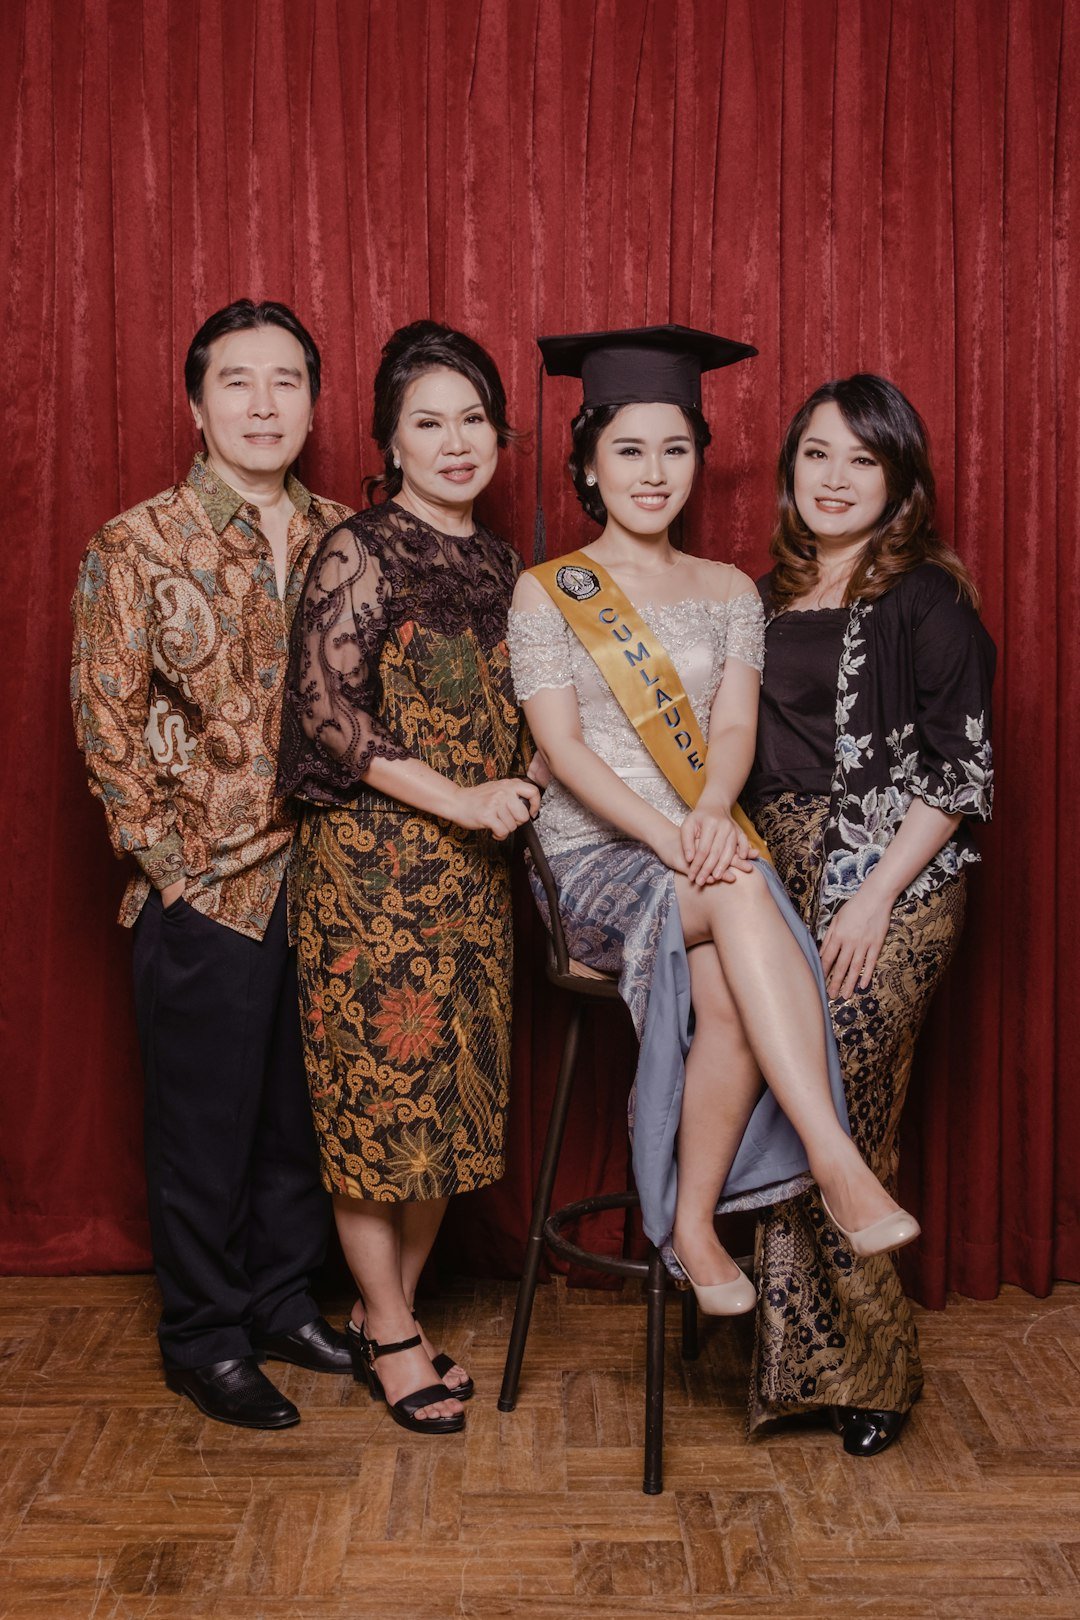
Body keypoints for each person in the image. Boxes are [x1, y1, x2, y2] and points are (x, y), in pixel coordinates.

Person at [507, 324, 917, 1337]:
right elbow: (564, 747)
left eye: (676, 449)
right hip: (589, 862)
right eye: (631, 450)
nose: (655, 473)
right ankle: (834, 1162)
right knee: (738, 888)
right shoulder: (546, 590)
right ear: (589, 463)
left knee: (734, 979)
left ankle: (692, 1227)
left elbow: (733, 727)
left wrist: (702, 813)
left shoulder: (734, 590)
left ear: (699, 456)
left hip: (699, 838)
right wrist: (673, 832)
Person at [71, 299, 354, 1430]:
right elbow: (107, 728)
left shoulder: (349, 532)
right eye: (238, 382)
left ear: (314, 403)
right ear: (196, 403)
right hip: (207, 891)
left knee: (302, 1117)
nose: (263, 404)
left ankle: (283, 1299)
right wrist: (175, 866)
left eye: (286, 381)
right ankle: (203, 1336)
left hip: (334, 878)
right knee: (203, 1130)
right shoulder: (132, 544)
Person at [277, 320, 538, 1436]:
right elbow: (329, 718)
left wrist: (527, 775)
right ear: (389, 441)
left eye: (472, 417)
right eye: (428, 422)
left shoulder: (505, 564)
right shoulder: (358, 549)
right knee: (375, 1113)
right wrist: (467, 799)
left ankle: (402, 1311)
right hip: (371, 880)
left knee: (451, 1114)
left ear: (499, 432)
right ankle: (387, 1332)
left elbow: (537, 710)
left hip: (475, 887)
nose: (455, 440)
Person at [744, 373, 995, 1456]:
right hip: (774, 874)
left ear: (899, 480)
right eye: (816, 454)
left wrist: (873, 897)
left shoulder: (927, 598)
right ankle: (801, 1358)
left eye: (861, 459)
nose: (833, 478)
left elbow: (963, 769)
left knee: (841, 1090)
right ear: (791, 468)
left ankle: (874, 1376)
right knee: (787, 1092)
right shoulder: (757, 599)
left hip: (896, 877)